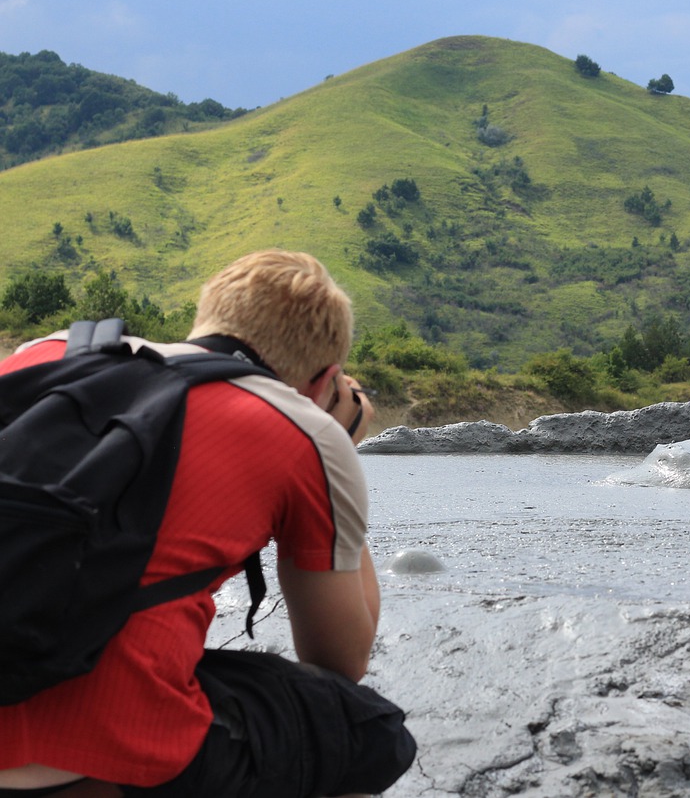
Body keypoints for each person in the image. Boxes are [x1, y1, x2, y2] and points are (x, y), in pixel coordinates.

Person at [0, 250, 416, 797]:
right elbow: (341, 659)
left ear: (207, 318)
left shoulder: (44, 354)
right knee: (369, 731)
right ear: (326, 380)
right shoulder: (306, 430)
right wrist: (339, 445)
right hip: (105, 751)